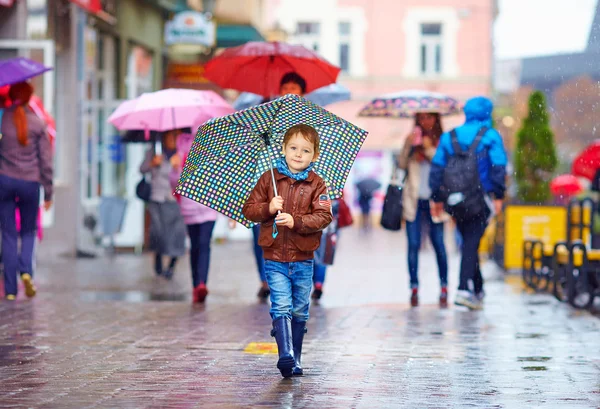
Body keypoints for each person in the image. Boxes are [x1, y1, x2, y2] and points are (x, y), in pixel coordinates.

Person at [243, 124, 333, 378]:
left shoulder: (317, 184)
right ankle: (285, 354)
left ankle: (297, 356)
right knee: (281, 304)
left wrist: (297, 221)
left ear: (314, 155)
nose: (298, 154)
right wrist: (269, 207)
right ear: (283, 149)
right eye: (293, 148)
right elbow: (249, 209)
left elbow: (325, 215)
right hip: (274, 257)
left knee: (299, 310)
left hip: (303, 258)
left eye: (305, 150)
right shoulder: (268, 179)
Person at [429, 96, 507, 310]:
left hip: (454, 200)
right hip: (480, 199)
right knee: (471, 242)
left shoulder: (449, 136)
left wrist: (436, 198)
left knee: (468, 242)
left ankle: (478, 288)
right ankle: (464, 289)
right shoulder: (490, 136)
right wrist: (498, 195)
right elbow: (499, 167)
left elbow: (436, 169)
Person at [251, 71, 309, 301]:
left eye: (294, 88)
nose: (289, 92)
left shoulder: (309, 122)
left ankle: (292, 279)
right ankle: (267, 279)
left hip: (297, 186)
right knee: (262, 234)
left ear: (302, 93)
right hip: (266, 185)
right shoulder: (266, 116)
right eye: (285, 88)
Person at [0, 81, 53, 300]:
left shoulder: (2, 120)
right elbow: (46, 162)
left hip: (5, 182)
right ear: (30, 96)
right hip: (30, 184)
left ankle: (10, 290)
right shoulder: (38, 124)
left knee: (9, 235)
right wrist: (48, 191)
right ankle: (26, 272)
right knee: (28, 232)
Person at [397, 112, 449, 308]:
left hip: (435, 201)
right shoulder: (412, 142)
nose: (426, 121)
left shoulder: (443, 141)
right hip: (414, 200)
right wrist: (408, 145)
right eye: (422, 118)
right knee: (413, 244)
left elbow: (443, 165)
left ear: (436, 119)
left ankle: (444, 285)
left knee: (439, 245)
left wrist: (428, 149)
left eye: (430, 117)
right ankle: (414, 286)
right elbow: (401, 165)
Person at [170, 132, 218, 303]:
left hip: (208, 208)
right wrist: (175, 169)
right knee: (195, 246)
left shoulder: (212, 151)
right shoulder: (181, 151)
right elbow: (175, 185)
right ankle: (195, 284)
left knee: (204, 244)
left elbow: (219, 180)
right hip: (189, 207)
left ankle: (201, 284)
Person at [140, 130, 187, 280]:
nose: (173, 139)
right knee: (158, 232)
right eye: (170, 136)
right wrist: (152, 163)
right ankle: (158, 258)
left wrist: (178, 167)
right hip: (157, 198)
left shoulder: (183, 153)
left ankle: (172, 266)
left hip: (176, 200)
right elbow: (141, 169)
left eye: (176, 136)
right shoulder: (154, 152)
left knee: (176, 234)